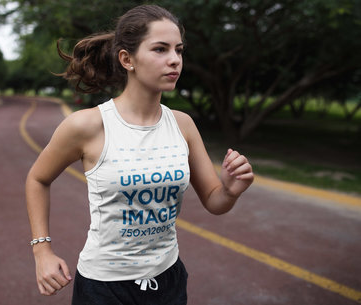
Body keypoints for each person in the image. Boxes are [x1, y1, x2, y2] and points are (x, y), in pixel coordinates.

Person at [25, 4, 254, 305]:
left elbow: (215, 201)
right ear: (127, 59)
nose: (175, 60)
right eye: (160, 49)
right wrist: (42, 251)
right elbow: (37, 179)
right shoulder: (89, 125)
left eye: (179, 50)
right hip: (104, 288)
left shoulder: (182, 125)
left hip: (169, 280)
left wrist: (230, 190)